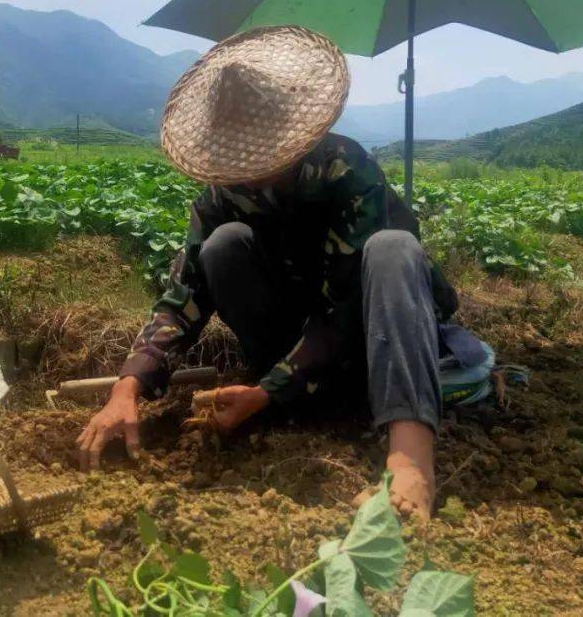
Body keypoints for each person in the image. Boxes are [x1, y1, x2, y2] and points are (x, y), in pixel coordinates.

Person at [75, 26, 460, 519]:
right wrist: (127, 388)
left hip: (370, 341)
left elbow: (340, 311)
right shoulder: (223, 196)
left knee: (392, 248)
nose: (253, 173)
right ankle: (291, 403)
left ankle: (410, 459)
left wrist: (268, 390)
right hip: (295, 359)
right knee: (223, 246)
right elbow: (181, 297)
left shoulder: (347, 171)